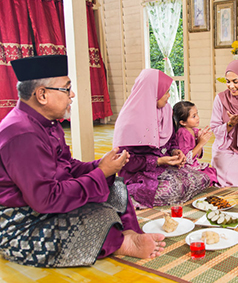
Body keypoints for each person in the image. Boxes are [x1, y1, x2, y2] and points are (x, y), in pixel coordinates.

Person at [0, 55, 165, 268]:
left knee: (116, 188)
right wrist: (99, 173)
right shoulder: (22, 134)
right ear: (42, 95)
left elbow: (67, 166)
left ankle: (128, 233)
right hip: (24, 222)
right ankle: (122, 242)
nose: (72, 95)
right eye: (66, 89)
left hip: (46, 204)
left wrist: (100, 166)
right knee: (98, 218)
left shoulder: (47, 124)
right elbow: (45, 200)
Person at [113, 69, 210, 208]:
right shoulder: (130, 120)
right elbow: (126, 162)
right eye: (165, 92)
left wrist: (175, 151)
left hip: (163, 167)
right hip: (139, 173)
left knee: (202, 178)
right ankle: (126, 194)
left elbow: (171, 141)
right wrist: (157, 161)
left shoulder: (166, 111)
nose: (168, 96)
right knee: (172, 189)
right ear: (152, 92)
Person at [173, 101, 218, 185]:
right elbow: (185, 158)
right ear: (182, 122)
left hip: (194, 164)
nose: (198, 118)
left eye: (197, 114)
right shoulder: (183, 133)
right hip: (184, 167)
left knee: (213, 173)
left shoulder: (194, 130)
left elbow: (198, 155)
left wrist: (200, 139)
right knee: (209, 177)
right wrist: (200, 143)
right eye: (193, 116)